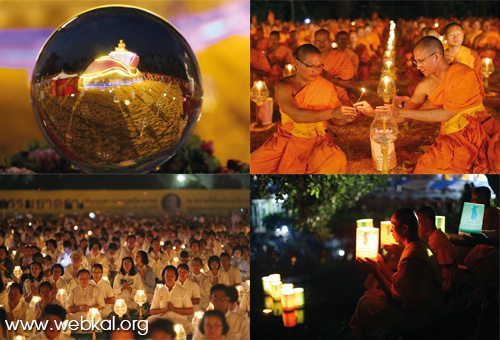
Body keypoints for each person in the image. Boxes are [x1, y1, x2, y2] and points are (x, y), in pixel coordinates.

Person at [356, 36, 498, 173]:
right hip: (451, 136)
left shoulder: (463, 74)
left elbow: (448, 113)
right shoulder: (425, 85)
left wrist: (402, 112)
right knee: (426, 168)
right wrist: (374, 113)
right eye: (415, 62)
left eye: (421, 61)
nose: (418, 67)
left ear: (436, 56)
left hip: (477, 131)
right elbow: (404, 117)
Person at [251, 44, 356, 174]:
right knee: (252, 166)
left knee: (335, 162)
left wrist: (346, 117)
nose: (315, 71)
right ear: (297, 63)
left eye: (319, 66)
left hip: (316, 140)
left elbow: (336, 120)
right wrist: (333, 113)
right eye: (310, 66)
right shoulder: (284, 86)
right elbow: (297, 115)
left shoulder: (325, 86)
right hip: (286, 138)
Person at [350, 208, 442, 339]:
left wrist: (376, 272)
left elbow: (396, 297)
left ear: (404, 228)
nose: (390, 230)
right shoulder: (418, 246)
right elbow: (398, 282)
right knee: (369, 293)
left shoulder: (413, 257)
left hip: (422, 318)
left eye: (393, 226)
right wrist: (380, 263)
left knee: (364, 304)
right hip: (419, 309)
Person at [417, 206, 458, 298]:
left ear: (428, 222)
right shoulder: (435, 237)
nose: (418, 225)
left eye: (419, 221)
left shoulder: (437, 242)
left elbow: (442, 269)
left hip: (446, 284)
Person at [149, 266, 193, 332]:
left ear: (176, 277)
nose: (169, 277)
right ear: (164, 277)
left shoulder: (182, 291)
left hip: (178, 320)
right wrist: (164, 310)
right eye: (167, 275)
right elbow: (152, 311)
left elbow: (190, 310)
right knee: (146, 323)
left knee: (187, 326)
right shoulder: (159, 291)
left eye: (172, 275)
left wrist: (174, 309)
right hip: (162, 320)